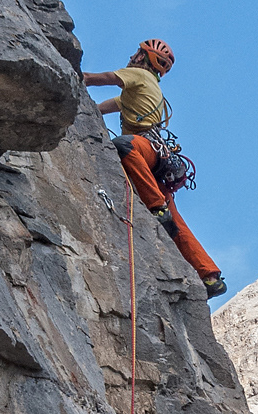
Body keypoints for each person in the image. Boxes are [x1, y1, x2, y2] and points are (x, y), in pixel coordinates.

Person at [82, 40, 226, 298]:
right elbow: (102, 108)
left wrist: (78, 77)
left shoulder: (138, 76)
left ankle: (157, 208)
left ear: (144, 58)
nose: (132, 56)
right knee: (176, 222)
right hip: (156, 162)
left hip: (145, 150)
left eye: (137, 53)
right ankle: (210, 277)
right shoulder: (142, 88)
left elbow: (104, 78)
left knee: (124, 145)